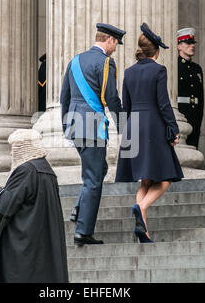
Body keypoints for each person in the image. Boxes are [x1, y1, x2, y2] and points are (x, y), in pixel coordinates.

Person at [116, 23, 183, 243]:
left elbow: (125, 105)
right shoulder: (158, 70)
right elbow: (163, 104)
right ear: (156, 51)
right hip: (153, 125)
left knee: (144, 181)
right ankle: (141, 206)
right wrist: (173, 128)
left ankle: (143, 231)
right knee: (166, 177)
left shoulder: (129, 72)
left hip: (134, 126)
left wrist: (125, 132)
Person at [60, 23, 125, 245]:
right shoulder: (106, 62)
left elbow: (64, 98)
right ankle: (83, 231)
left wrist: (65, 127)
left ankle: (79, 210)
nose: (115, 48)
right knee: (93, 179)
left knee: (98, 169)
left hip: (75, 124)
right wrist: (125, 126)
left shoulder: (75, 60)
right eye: (116, 43)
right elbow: (112, 98)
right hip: (92, 126)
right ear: (109, 40)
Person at [0, 129, 69, 283]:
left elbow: (6, 203)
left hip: (24, 252)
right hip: (42, 248)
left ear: (22, 148)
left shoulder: (25, 170)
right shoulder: (48, 171)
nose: (10, 154)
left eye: (13, 148)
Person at [177, 28, 204, 149]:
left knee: (194, 145)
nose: (192, 46)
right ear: (179, 46)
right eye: (188, 43)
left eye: (193, 43)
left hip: (195, 114)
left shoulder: (196, 68)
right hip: (182, 111)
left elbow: (200, 96)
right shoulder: (176, 66)